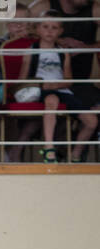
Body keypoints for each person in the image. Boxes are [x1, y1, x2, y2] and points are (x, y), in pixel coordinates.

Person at [17, 15, 97, 162]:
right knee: (52, 100)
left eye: (54, 28)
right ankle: (49, 148)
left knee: (91, 121)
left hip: (61, 90)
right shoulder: (31, 51)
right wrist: (40, 85)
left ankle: (75, 155)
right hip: (40, 90)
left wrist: (55, 85)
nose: (50, 31)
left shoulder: (63, 52)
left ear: (61, 31)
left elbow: (68, 80)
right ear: (38, 29)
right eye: (45, 27)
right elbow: (22, 79)